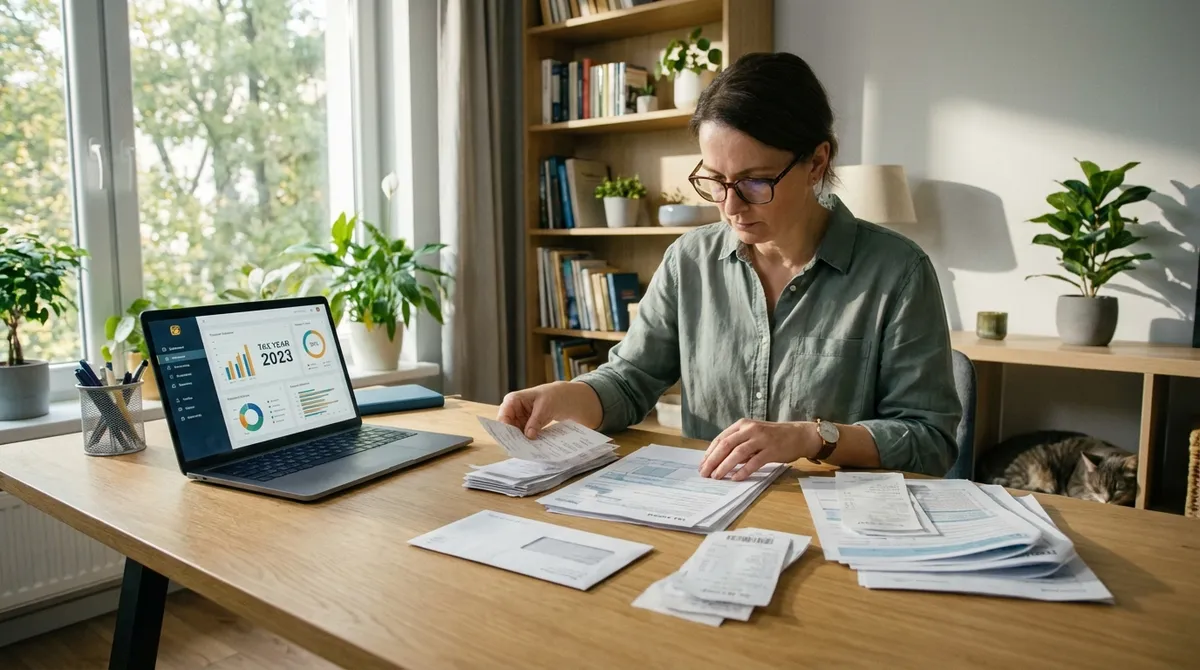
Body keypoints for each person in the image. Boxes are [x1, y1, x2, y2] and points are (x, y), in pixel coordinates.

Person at [499, 52, 961, 480]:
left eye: (755, 182)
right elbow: (629, 381)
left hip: (835, 524)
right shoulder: (689, 261)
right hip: (706, 506)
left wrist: (811, 436)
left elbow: (930, 440)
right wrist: (565, 397)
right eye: (715, 181)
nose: (730, 206)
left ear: (817, 162)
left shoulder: (898, 272)